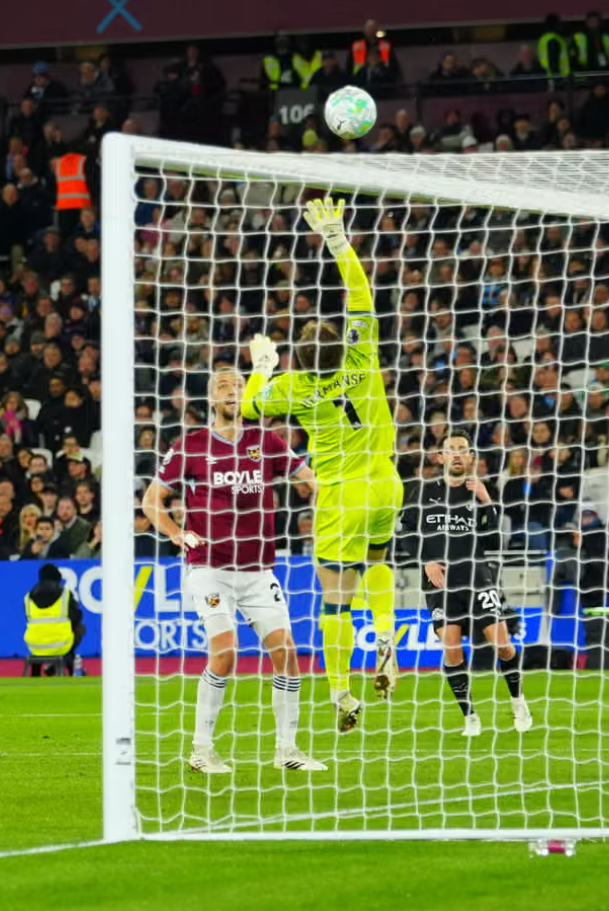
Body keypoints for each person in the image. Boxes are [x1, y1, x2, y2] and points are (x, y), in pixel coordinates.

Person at [243, 198, 404, 734]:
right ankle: (386, 636)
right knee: (378, 560)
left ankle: (342, 693)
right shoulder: (362, 356)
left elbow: (249, 408)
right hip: (387, 482)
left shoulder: (294, 387)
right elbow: (360, 293)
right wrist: (337, 238)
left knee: (335, 600)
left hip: (340, 493)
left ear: (300, 359)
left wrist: (262, 367)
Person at [142, 367, 326, 773]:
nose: (232, 391)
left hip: (258, 571)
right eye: (223, 386)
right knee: (225, 653)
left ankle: (287, 750)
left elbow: (313, 481)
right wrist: (176, 533)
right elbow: (152, 501)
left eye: (238, 386)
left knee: (286, 653)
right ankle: (201, 750)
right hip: (209, 568)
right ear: (211, 398)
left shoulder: (267, 441)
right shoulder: (191, 446)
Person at [412, 431, 532, 736]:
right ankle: (470, 717)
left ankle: (518, 701)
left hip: (478, 578)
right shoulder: (423, 492)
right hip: (440, 584)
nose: (456, 454)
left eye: (462, 449)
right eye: (450, 449)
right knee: (452, 651)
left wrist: (486, 499)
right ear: (439, 457)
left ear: (471, 457)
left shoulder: (479, 492)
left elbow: (494, 542)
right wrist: (426, 561)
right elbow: (405, 534)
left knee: (503, 646)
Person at [23, 563, 86, 676]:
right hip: (61, 644)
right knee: (80, 627)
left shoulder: (28, 597)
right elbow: (77, 616)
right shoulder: (65, 594)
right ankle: (67, 661)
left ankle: (47, 667)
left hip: (35, 646)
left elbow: (28, 618)